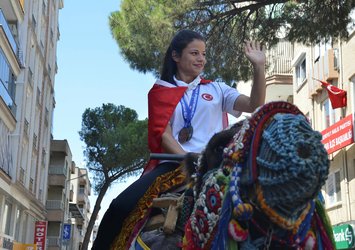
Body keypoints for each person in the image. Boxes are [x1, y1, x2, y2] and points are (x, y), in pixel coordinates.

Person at [92, 29, 266, 250]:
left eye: (203, 54)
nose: (201, 59)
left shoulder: (218, 89)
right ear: (176, 56)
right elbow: (163, 135)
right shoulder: (160, 91)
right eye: (194, 53)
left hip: (216, 166)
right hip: (173, 165)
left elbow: (255, 105)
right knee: (119, 207)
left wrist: (259, 68)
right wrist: (189, 159)